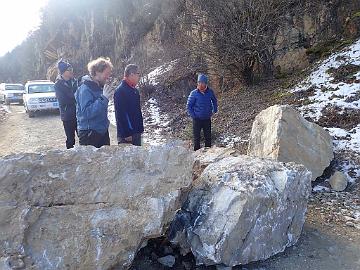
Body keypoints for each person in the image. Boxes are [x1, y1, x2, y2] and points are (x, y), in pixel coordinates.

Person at [75, 57, 114, 148]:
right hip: (90, 134)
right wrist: (103, 98)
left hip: (102, 131)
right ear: (97, 72)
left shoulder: (99, 86)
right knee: (91, 162)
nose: (108, 77)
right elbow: (86, 112)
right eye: (106, 73)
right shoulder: (85, 88)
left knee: (105, 160)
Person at [114, 64, 144, 146]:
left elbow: (137, 111)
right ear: (131, 74)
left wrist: (140, 129)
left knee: (138, 158)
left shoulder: (135, 90)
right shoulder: (120, 91)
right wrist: (127, 133)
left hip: (136, 132)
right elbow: (121, 114)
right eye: (138, 74)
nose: (139, 76)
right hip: (127, 136)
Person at [187, 74, 218, 151]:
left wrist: (215, 110)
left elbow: (214, 100)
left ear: (206, 83)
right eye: (199, 82)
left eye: (202, 82)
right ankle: (196, 156)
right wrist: (194, 116)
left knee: (208, 137)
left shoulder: (210, 92)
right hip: (197, 120)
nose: (200, 84)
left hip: (207, 119)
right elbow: (189, 106)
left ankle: (208, 155)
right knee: (197, 138)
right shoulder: (194, 93)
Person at [54, 60, 78, 149]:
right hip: (67, 116)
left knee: (83, 137)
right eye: (69, 69)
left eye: (71, 69)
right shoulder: (58, 84)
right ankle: (70, 157)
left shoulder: (75, 81)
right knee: (71, 139)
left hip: (78, 114)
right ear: (63, 72)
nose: (71, 71)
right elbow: (63, 100)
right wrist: (76, 97)